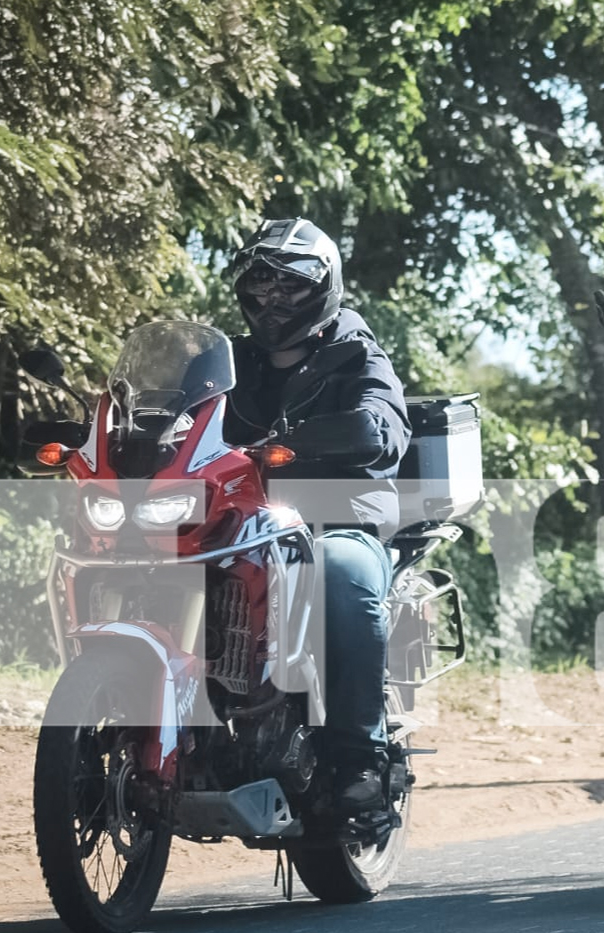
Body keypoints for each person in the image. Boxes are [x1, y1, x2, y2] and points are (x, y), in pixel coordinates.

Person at [221, 217, 411, 815]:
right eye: (261, 286)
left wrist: (362, 429)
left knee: (338, 574)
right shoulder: (229, 362)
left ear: (325, 286)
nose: (272, 301)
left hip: (338, 520)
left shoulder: (357, 354)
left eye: (290, 286)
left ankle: (361, 761)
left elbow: (383, 423)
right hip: (243, 523)